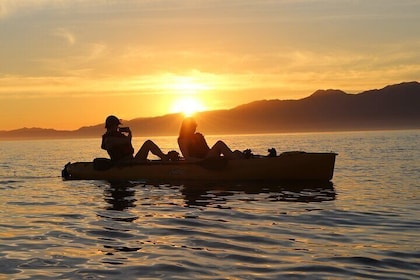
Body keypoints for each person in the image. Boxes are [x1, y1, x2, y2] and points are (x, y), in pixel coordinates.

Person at [101, 115, 168, 162]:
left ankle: (164, 157)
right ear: (112, 125)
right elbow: (126, 141)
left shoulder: (115, 136)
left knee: (148, 143)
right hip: (125, 163)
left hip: (130, 161)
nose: (117, 127)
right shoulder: (109, 139)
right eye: (116, 125)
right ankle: (165, 158)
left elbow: (127, 142)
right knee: (148, 143)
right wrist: (129, 133)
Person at [177, 117, 243, 161]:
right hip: (203, 160)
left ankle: (237, 160)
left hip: (208, 157)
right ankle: (238, 163)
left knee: (237, 152)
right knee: (219, 143)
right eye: (192, 127)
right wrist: (202, 161)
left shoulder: (198, 136)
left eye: (195, 127)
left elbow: (208, 150)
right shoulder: (182, 139)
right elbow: (187, 157)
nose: (194, 129)